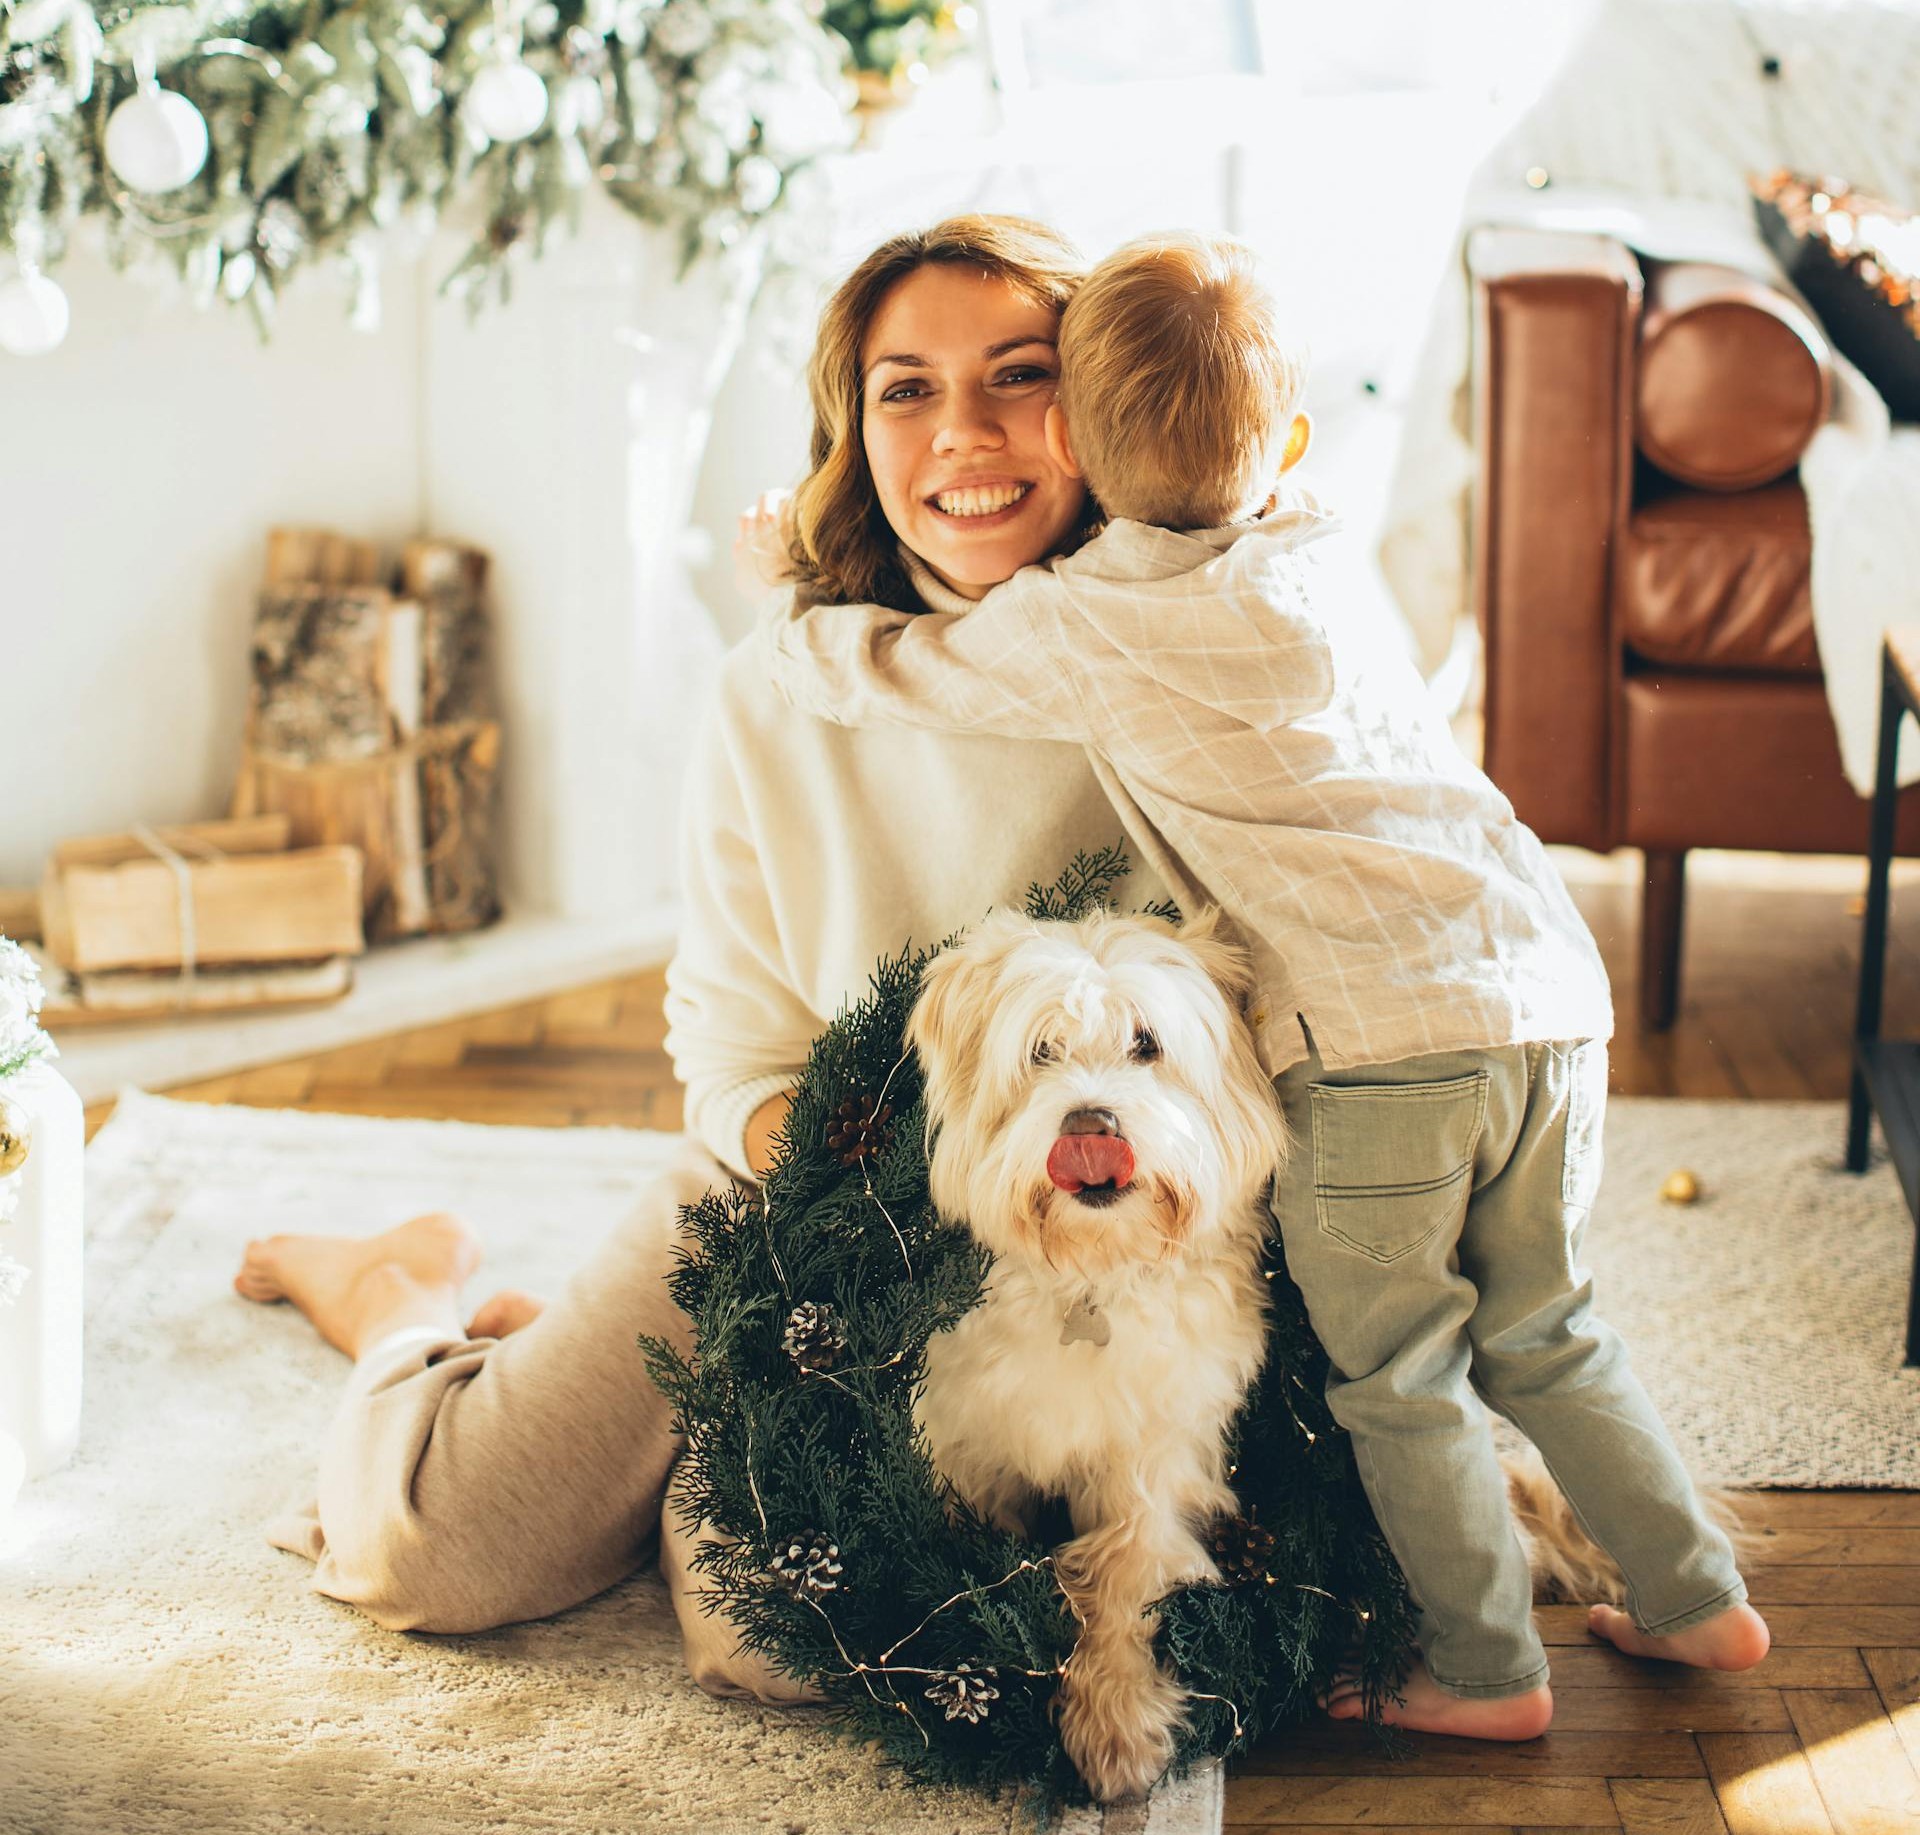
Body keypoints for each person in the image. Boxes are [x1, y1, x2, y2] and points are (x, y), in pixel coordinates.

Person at [756, 231, 1770, 1738]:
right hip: (1548, 996)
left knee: (1401, 1372)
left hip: (1385, 1051)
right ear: (1287, 445)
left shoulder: (1088, 617)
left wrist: (780, 587)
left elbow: (893, 671)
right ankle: (1698, 1602)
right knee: (1551, 1329)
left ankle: (1487, 1676)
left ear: (1082, 451)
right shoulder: (1312, 547)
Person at [227, 215, 1181, 1703]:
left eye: (1019, 375)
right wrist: (845, 1188)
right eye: (905, 390)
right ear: (852, 433)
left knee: (780, 1648)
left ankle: (634, 1413)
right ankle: (402, 1303)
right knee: (435, 1556)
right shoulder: (781, 690)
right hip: (795, 1204)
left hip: (1077, 1257)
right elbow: (730, 1043)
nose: (965, 435)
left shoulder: (1189, 669)